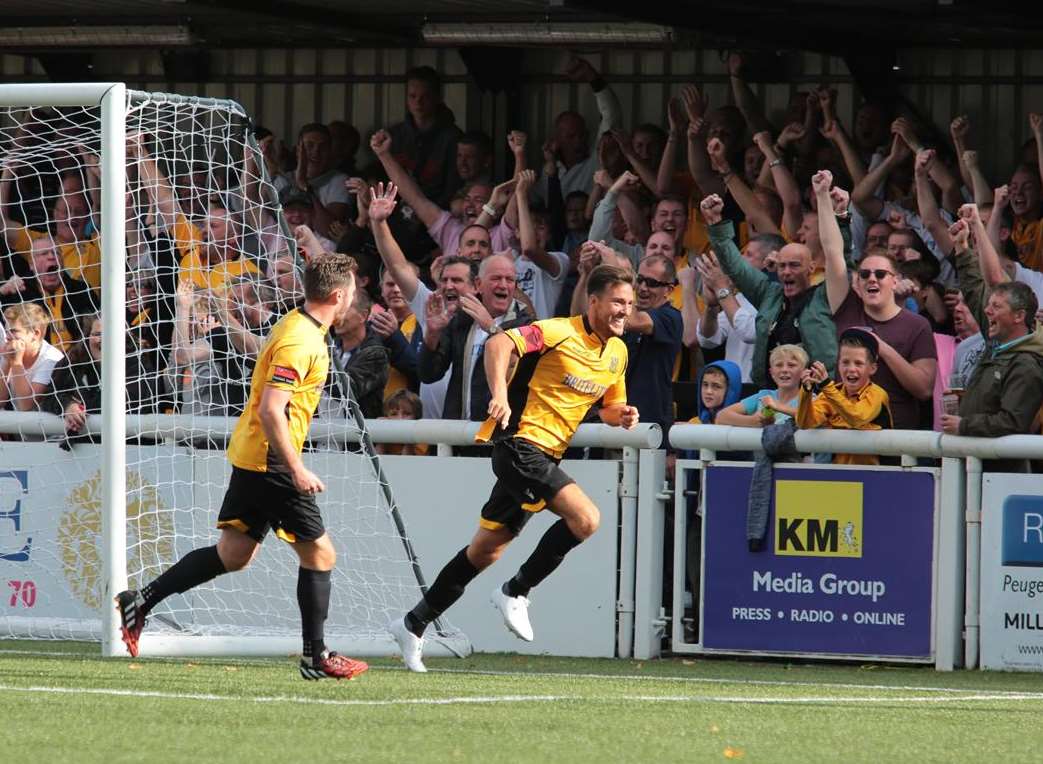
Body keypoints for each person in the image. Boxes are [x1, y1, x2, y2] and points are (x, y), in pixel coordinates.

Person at [115, 253, 369, 681]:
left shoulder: (299, 326)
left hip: (255, 455)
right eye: (354, 293)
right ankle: (316, 656)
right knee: (321, 554)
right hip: (272, 461)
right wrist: (297, 469)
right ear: (339, 295)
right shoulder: (300, 340)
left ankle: (140, 600)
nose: (355, 300)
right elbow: (273, 410)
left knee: (233, 555)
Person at [389, 264, 639, 672]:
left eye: (629, 304)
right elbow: (499, 344)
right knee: (588, 519)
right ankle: (516, 591)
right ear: (593, 301)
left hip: (546, 455)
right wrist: (500, 396)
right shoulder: (557, 332)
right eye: (617, 301)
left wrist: (622, 415)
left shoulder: (618, 352)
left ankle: (412, 623)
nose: (624, 310)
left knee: (484, 551)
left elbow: (608, 408)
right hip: (519, 445)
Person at [817, 170, 937, 431]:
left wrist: (879, 346)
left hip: (897, 442)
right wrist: (822, 198)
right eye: (865, 274)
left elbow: (924, 389)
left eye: (880, 274)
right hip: (846, 437)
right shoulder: (847, 308)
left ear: (895, 280)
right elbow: (833, 253)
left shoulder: (917, 325)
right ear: (857, 283)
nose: (872, 279)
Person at [703, 193, 837, 389]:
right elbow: (736, 267)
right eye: (782, 266)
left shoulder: (825, 297)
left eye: (794, 265)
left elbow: (839, 258)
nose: (787, 271)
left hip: (815, 398)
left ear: (811, 268)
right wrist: (716, 223)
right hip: (769, 394)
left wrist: (836, 212)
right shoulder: (770, 295)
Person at [943, 217, 1043, 472]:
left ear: (1019, 316)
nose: (987, 312)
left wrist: (963, 425)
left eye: (996, 307)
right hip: (973, 465)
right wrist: (963, 249)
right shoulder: (998, 341)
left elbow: (1012, 422)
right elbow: (977, 291)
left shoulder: (1027, 363)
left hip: (1001, 475)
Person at [417, 253, 531, 422]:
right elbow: (428, 374)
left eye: (510, 280)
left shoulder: (527, 325)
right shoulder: (461, 322)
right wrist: (432, 333)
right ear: (478, 284)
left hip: (499, 436)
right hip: (459, 436)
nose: (503, 285)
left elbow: (522, 370)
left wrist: (491, 328)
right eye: (496, 278)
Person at [796, 328, 892, 465]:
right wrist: (806, 390)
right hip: (839, 478)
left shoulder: (877, 394)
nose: (851, 369)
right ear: (838, 365)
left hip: (876, 478)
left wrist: (826, 385)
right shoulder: (831, 391)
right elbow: (805, 422)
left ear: (873, 368)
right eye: (845, 362)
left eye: (858, 363)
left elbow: (857, 418)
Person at [717, 344, 807, 427]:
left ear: (804, 371)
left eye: (791, 365)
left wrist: (778, 406)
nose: (784, 370)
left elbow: (813, 417)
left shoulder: (809, 399)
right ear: (772, 373)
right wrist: (752, 421)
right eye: (779, 365)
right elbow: (721, 416)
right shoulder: (763, 395)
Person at [0, 302, 64, 413]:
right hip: (21, 425)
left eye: (14, 331)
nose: (8, 338)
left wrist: (16, 362)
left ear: (36, 334)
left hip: (49, 427)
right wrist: (6, 362)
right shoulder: (12, 351)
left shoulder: (51, 359)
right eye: (7, 332)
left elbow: (26, 406)